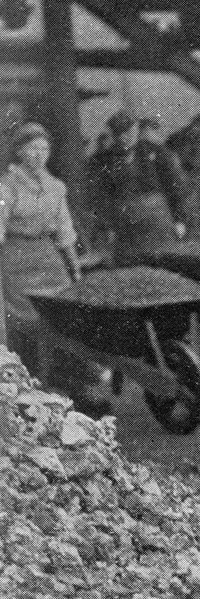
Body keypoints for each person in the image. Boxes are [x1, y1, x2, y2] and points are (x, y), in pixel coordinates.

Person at [0, 122, 110, 417]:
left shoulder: (55, 187)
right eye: (32, 149)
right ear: (20, 152)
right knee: (29, 322)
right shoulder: (6, 186)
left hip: (48, 258)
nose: (39, 155)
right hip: (15, 260)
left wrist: (74, 267)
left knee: (66, 314)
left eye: (44, 149)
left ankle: (77, 384)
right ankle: (31, 387)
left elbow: (65, 230)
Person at [86, 109, 188, 264]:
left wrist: (179, 220)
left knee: (165, 262)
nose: (125, 137)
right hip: (125, 224)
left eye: (129, 131)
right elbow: (100, 197)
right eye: (119, 133)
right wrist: (106, 226)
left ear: (137, 129)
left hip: (157, 220)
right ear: (114, 135)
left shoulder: (157, 152)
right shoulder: (104, 160)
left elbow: (173, 187)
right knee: (131, 266)